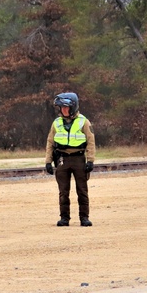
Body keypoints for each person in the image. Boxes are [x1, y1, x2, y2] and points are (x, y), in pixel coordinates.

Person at [44, 92, 96, 226]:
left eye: (66, 107)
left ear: (73, 107)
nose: (63, 110)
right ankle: (64, 218)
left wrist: (90, 160)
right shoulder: (56, 123)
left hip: (78, 158)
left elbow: (91, 141)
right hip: (62, 159)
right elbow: (50, 142)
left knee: (82, 190)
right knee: (63, 191)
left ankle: (84, 217)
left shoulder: (83, 121)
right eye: (61, 108)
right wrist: (48, 161)